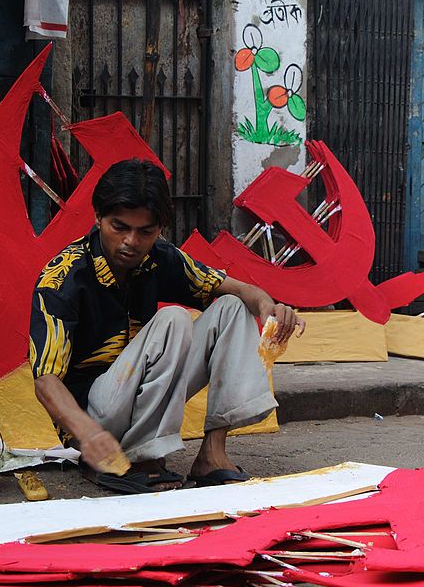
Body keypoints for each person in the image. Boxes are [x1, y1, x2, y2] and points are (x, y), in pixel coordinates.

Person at [29, 158, 303, 494]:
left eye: (145, 232)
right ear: (98, 218)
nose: (131, 241)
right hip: (93, 416)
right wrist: (89, 435)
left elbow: (238, 289)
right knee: (174, 318)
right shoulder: (64, 276)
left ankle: (212, 455)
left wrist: (269, 306)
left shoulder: (159, 257)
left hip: (139, 398)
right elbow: (45, 380)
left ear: (159, 229)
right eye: (119, 227)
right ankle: (140, 458)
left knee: (234, 307)